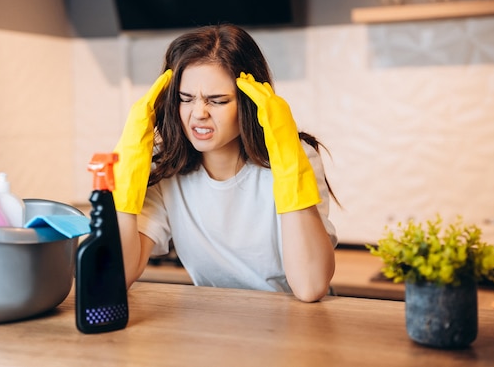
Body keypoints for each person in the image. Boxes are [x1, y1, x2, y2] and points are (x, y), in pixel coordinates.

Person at [112, 24, 338, 302]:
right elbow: (114, 278)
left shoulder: (293, 156)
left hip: (296, 325)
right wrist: (126, 174)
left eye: (217, 101)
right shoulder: (167, 167)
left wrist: (289, 163)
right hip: (218, 326)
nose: (198, 113)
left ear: (248, 102)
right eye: (185, 99)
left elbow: (310, 286)